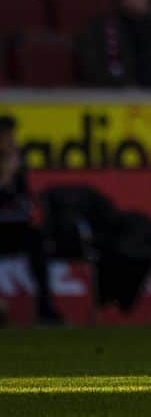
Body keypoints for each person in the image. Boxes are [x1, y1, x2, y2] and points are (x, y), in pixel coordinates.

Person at [0, 116, 63, 324]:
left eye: (11, 135)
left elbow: (20, 197)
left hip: (14, 227)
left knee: (38, 242)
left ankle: (45, 309)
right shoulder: (10, 167)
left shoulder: (18, 164)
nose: (9, 140)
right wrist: (6, 176)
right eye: (5, 135)